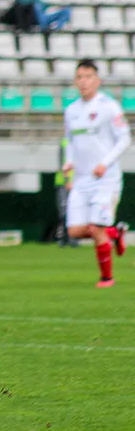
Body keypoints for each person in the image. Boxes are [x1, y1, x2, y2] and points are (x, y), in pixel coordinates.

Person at [63, 59, 130, 288]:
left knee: (95, 227)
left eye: (88, 76)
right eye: (79, 77)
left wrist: (105, 163)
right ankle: (115, 233)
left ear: (98, 80)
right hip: (81, 179)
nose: (83, 82)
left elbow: (124, 139)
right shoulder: (71, 111)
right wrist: (69, 165)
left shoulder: (108, 107)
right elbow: (70, 142)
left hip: (105, 179)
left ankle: (107, 278)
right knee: (74, 231)